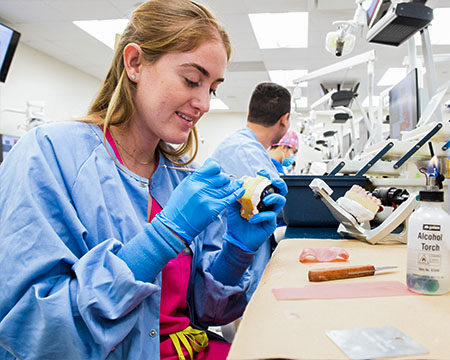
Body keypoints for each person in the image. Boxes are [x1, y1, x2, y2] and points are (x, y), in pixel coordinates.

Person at [0, 1, 287, 359]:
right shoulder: (49, 154)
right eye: (192, 80)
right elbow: (32, 332)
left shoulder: (180, 178)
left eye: (211, 88)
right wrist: (160, 239)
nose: (204, 103)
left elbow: (205, 315)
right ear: (135, 63)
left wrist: (236, 252)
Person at [211, 82, 291, 299]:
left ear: (249, 112)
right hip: (236, 266)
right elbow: (276, 207)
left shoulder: (247, 147)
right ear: (284, 119)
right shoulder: (245, 152)